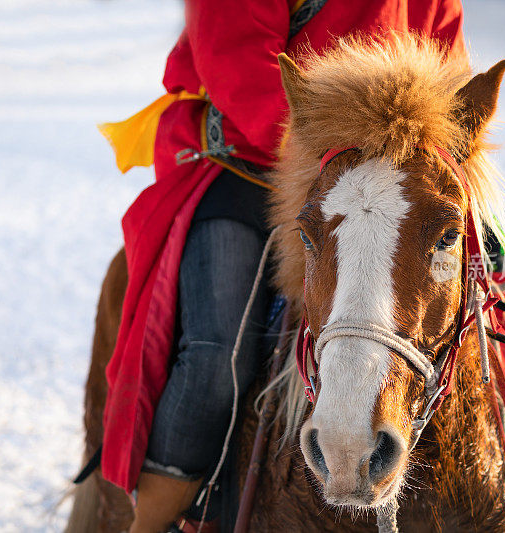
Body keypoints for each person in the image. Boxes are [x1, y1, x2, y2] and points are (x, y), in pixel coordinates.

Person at [99, 1, 467, 531]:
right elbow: (239, 69)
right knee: (214, 356)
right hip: (255, 162)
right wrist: (340, 157)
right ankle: (155, 520)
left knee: (499, 308)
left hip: (393, 182)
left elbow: (446, 67)